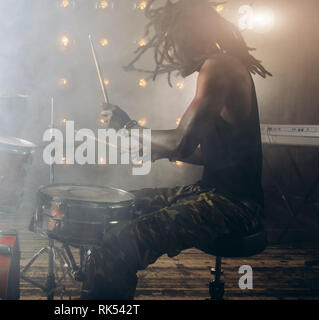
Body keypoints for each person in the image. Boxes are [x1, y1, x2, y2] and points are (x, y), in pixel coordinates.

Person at [81, 0, 271, 299]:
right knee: (118, 207)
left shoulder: (218, 66)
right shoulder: (222, 64)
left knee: (121, 242)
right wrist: (162, 151)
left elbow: (182, 142)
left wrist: (129, 126)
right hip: (211, 194)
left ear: (186, 36)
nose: (171, 53)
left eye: (173, 43)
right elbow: (211, 153)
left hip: (235, 208)